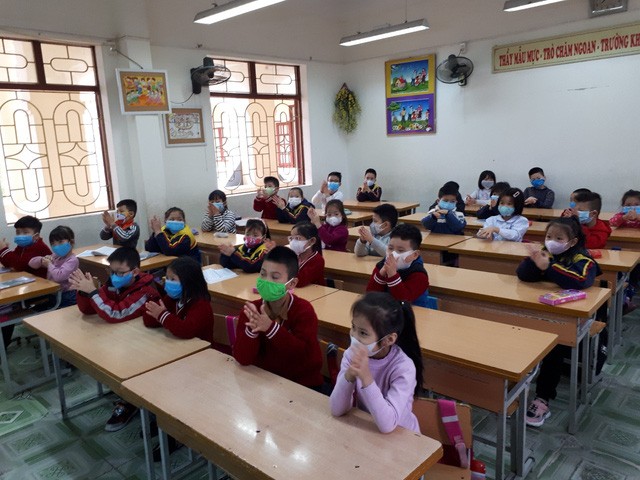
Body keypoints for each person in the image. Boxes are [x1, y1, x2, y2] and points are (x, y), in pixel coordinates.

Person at [516, 217, 601, 427]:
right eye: (549, 236)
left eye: (559, 238)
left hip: (570, 319)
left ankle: (543, 397)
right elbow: (523, 275)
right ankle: (517, 382)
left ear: (572, 241)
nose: (552, 241)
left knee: (554, 348)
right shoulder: (546, 253)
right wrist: (534, 261)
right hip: (540, 311)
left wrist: (549, 266)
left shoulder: (584, 259)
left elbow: (580, 281)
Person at [70, 247, 161, 432]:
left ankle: (134, 402)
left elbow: (115, 313)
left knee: (128, 366)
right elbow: (89, 310)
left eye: (120, 272)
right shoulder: (113, 283)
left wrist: (93, 293)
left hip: (148, 345)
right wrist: (85, 292)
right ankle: (127, 397)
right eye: (111, 271)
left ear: (135, 271)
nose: (114, 276)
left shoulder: (146, 291)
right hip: (125, 338)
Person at [330, 292, 424, 434]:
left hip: (402, 436)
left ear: (389, 339)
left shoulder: (404, 367)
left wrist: (366, 378)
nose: (354, 336)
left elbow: (388, 425)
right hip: (368, 431)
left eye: (363, 333)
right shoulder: (351, 355)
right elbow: (336, 409)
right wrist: (349, 375)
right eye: (353, 327)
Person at [232, 246, 324, 389]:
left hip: (300, 385)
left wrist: (270, 328)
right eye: (263, 274)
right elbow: (242, 358)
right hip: (263, 383)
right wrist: (252, 331)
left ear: (292, 283)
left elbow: (303, 358)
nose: (266, 281)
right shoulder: (252, 311)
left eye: (275, 277)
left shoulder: (303, 311)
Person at [0, 215, 52, 348]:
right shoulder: (22, 247)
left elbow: (19, 265)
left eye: (25, 232)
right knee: (5, 305)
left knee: (6, 307)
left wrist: (4, 250)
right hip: (27, 286)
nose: (20, 236)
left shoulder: (39, 247)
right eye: (18, 232)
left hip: (40, 291)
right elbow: (11, 263)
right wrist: (4, 252)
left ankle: (3, 344)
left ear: (36, 235)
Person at [366, 224, 430, 308]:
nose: (393, 254)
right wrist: (381, 275)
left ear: (414, 255)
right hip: (386, 310)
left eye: (400, 250)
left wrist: (392, 276)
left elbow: (403, 302)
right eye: (390, 248)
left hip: (413, 312)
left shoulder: (419, 275)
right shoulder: (381, 265)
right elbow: (370, 296)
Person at [28, 225, 79, 309]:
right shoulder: (56, 256)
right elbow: (31, 263)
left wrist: (49, 264)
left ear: (71, 242)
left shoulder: (72, 260)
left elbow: (59, 276)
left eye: (60, 242)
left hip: (67, 296)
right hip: (54, 294)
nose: (57, 246)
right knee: (34, 309)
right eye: (53, 244)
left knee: (41, 310)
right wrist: (42, 259)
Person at [609, 189, 640, 310]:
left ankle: (630, 292)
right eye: (628, 205)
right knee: (623, 273)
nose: (632, 208)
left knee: (635, 272)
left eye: (636, 205)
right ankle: (626, 298)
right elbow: (612, 222)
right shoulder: (621, 216)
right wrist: (624, 218)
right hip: (623, 252)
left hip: (637, 253)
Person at [288, 222, 325, 287]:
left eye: (297, 238)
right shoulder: (295, 256)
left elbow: (299, 282)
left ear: (312, 241)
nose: (293, 242)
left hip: (314, 292)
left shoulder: (318, 260)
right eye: (291, 238)